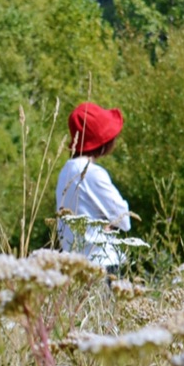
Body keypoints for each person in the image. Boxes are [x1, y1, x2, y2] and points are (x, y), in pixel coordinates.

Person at [56, 101, 131, 268]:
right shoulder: (93, 173)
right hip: (102, 263)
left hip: (73, 265)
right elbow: (124, 220)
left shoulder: (65, 171)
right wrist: (107, 221)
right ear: (103, 142)